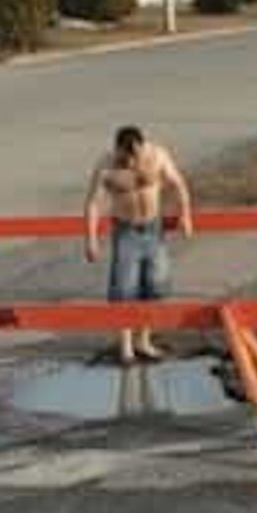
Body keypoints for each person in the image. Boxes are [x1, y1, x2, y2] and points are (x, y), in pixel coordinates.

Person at [84, 125, 194, 365]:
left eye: (136, 156)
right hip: (126, 231)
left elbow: (178, 184)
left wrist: (185, 215)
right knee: (124, 289)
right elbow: (93, 203)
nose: (132, 162)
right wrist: (91, 239)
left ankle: (143, 340)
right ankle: (125, 348)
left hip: (153, 229)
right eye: (127, 157)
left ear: (142, 147)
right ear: (118, 150)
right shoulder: (107, 166)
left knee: (155, 286)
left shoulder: (157, 156)